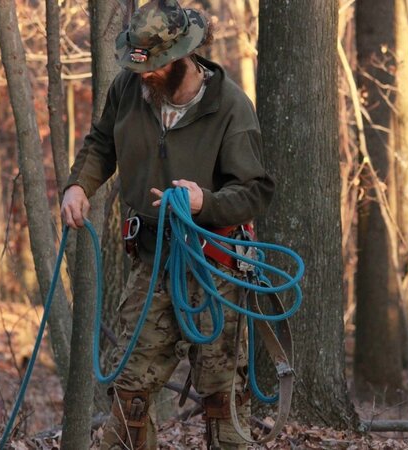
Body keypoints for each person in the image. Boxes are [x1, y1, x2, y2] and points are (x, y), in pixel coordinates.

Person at [60, 1, 275, 448]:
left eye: (155, 66)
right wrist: (79, 185)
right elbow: (102, 143)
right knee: (129, 392)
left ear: (183, 57)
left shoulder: (230, 106)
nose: (145, 75)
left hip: (214, 268)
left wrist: (204, 202)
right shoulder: (128, 87)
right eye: (139, 66)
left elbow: (255, 191)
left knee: (223, 397)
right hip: (151, 261)